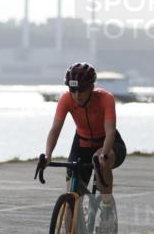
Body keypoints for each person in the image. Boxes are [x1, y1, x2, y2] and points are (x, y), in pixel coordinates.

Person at [43, 63, 127, 215]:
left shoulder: (106, 98)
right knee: (71, 199)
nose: (77, 95)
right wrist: (48, 155)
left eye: (81, 89)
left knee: (100, 161)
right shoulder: (66, 99)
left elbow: (110, 133)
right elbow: (55, 129)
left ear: (91, 87)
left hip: (109, 142)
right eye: (72, 89)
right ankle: (72, 229)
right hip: (82, 144)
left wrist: (104, 154)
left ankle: (107, 208)